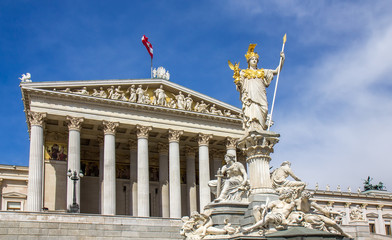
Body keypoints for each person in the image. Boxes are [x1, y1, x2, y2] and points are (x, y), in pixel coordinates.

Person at [235, 44, 285, 133]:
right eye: (252, 59)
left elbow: (276, 71)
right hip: (250, 96)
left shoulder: (262, 71)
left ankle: (261, 128)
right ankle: (253, 127)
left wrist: (282, 60)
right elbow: (240, 86)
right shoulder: (244, 72)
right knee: (252, 113)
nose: (254, 60)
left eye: (255, 59)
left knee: (264, 109)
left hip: (260, 95)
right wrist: (238, 83)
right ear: (248, 61)